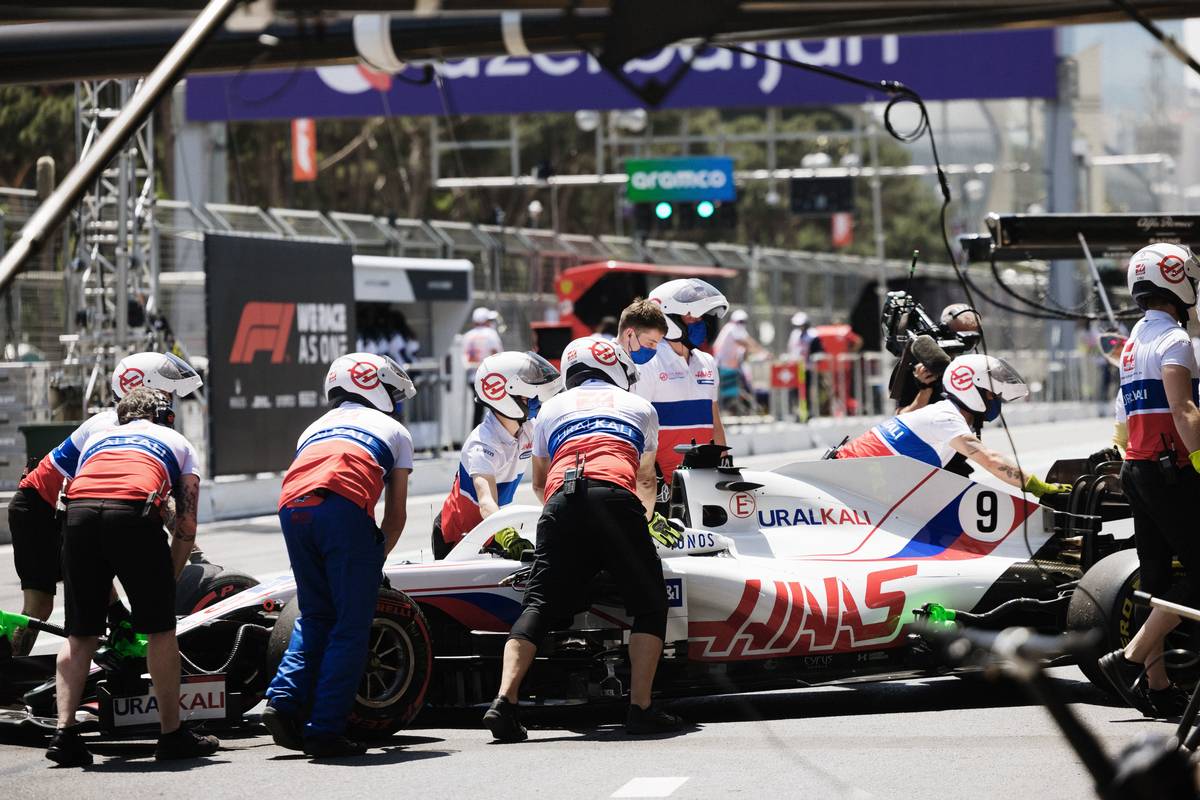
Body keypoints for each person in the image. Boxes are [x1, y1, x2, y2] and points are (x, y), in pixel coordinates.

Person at [482, 336, 684, 742]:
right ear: (614, 368)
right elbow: (645, 479)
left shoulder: (551, 408)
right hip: (615, 497)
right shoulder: (640, 407)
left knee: (539, 604)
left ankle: (504, 701)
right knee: (649, 604)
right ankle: (640, 707)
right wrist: (636, 528)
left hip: (561, 500)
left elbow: (540, 483)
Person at [47, 387, 218, 766]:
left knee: (80, 633)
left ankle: (65, 733)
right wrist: (166, 582)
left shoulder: (98, 436)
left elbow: (79, 491)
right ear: (164, 415)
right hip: (132, 514)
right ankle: (172, 735)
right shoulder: (177, 441)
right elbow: (186, 526)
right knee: (159, 630)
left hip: (77, 517)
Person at [262, 352, 415, 758]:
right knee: (351, 625)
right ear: (374, 385)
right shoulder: (395, 431)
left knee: (315, 614)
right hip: (343, 509)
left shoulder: (312, 428)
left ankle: (282, 701)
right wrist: (373, 562)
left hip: (292, 508)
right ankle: (325, 730)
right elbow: (396, 516)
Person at [7, 352, 202, 656]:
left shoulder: (133, 426)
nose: (170, 402)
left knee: (109, 598)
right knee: (39, 607)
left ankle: (117, 638)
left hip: (70, 509)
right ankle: (10, 669)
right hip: (38, 510)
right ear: (142, 386)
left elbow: (162, 500)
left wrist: (191, 545)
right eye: (166, 392)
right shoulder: (107, 426)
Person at [1097, 243, 1200, 719]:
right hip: (1171, 470)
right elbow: (1184, 409)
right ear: (1177, 281)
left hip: (1136, 467)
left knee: (1156, 579)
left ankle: (1157, 689)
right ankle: (1130, 658)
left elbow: (1123, 416)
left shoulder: (1135, 339)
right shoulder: (1175, 341)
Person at [835, 353, 1072, 497]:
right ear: (971, 388)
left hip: (856, 479)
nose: (995, 399)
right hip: (844, 479)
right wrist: (1036, 486)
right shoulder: (946, 418)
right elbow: (990, 460)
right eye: (992, 393)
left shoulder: (945, 414)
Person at [432, 351, 562, 560]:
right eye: (530, 396)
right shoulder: (481, 443)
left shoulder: (530, 428)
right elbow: (486, 502)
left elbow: (542, 483)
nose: (538, 400)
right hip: (458, 537)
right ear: (503, 395)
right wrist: (509, 536)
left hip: (495, 530)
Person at [632, 279, 729, 510]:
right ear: (668, 317)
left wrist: (725, 465)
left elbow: (714, 420)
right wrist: (647, 479)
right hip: (662, 484)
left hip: (703, 478)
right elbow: (639, 426)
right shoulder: (648, 362)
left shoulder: (707, 361)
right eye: (691, 317)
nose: (699, 323)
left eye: (700, 318)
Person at [893, 303, 982, 414]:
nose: (964, 347)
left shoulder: (977, 364)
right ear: (944, 331)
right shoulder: (918, 364)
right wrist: (925, 388)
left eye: (972, 341)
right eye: (960, 338)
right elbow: (901, 416)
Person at [462, 307, 505, 426]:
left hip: (472, 377)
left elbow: (465, 358)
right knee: (496, 409)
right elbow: (498, 355)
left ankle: (475, 433)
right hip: (489, 377)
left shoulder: (467, 336)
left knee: (477, 409)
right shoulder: (491, 334)